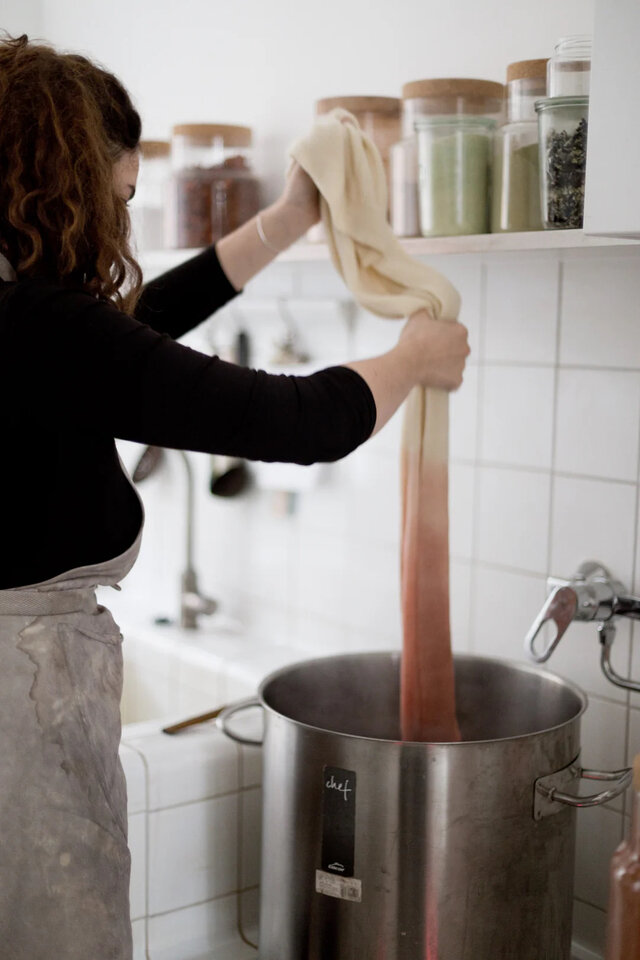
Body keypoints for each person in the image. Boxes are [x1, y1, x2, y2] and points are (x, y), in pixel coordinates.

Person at [0, 33, 469, 960]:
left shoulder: (23, 316)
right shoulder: (45, 328)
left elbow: (130, 335)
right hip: (20, 695)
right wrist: (412, 360)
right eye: (117, 198)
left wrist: (291, 218)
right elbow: (291, 421)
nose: (120, 226)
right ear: (67, 181)